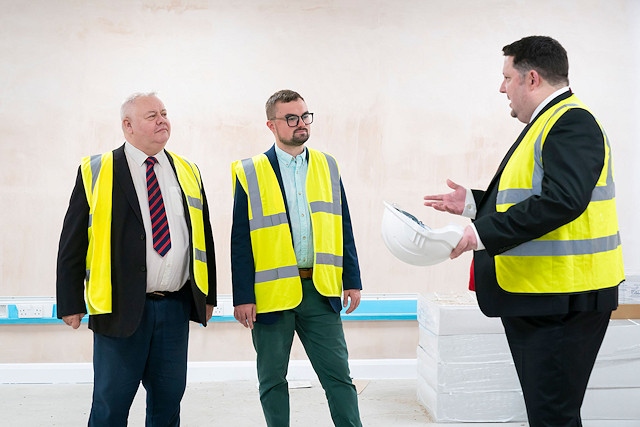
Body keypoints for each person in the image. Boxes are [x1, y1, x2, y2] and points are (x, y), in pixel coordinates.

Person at [423, 36, 624, 427]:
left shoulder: (571, 123)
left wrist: (477, 235)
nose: (502, 88)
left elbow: (562, 201)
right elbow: (535, 196)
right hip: (545, 295)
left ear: (531, 79)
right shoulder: (551, 121)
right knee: (548, 413)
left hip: (562, 299)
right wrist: (473, 203)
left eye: (506, 77)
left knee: (553, 416)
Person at [56, 92, 217, 426]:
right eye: (151, 115)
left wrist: (208, 295)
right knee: (110, 405)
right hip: (119, 309)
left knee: (168, 403)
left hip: (174, 308)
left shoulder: (187, 170)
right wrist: (70, 301)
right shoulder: (96, 170)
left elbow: (204, 237)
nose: (162, 120)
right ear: (127, 126)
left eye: (164, 113)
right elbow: (72, 242)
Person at [231, 89, 363, 427]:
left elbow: (342, 223)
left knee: (338, 376)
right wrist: (243, 296)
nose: (301, 123)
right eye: (291, 118)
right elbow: (240, 239)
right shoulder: (251, 171)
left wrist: (352, 280)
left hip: (320, 290)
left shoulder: (327, 165)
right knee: (272, 380)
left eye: (305, 116)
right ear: (271, 125)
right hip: (272, 295)